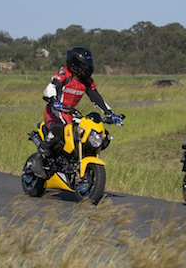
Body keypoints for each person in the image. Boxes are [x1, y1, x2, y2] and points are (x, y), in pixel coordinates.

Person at [31, 46, 122, 179]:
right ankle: (39, 158)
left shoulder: (87, 82)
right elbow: (52, 87)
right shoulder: (64, 74)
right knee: (59, 130)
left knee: (98, 135)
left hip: (70, 114)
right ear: (74, 64)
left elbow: (97, 98)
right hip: (55, 112)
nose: (88, 69)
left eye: (89, 65)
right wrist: (52, 99)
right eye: (84, 66)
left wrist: (110, 114)